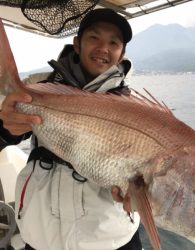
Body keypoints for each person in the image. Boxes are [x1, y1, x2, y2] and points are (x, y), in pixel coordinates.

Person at [0, 8, 142, 250]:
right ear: (77, 44)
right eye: (94, 38)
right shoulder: (39, 87)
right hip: (41, 237)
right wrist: (6, 127)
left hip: (111, 239)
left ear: (122, 53)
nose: (103, 48)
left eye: (114, 42)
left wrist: (140, 193)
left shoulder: (132, 108)